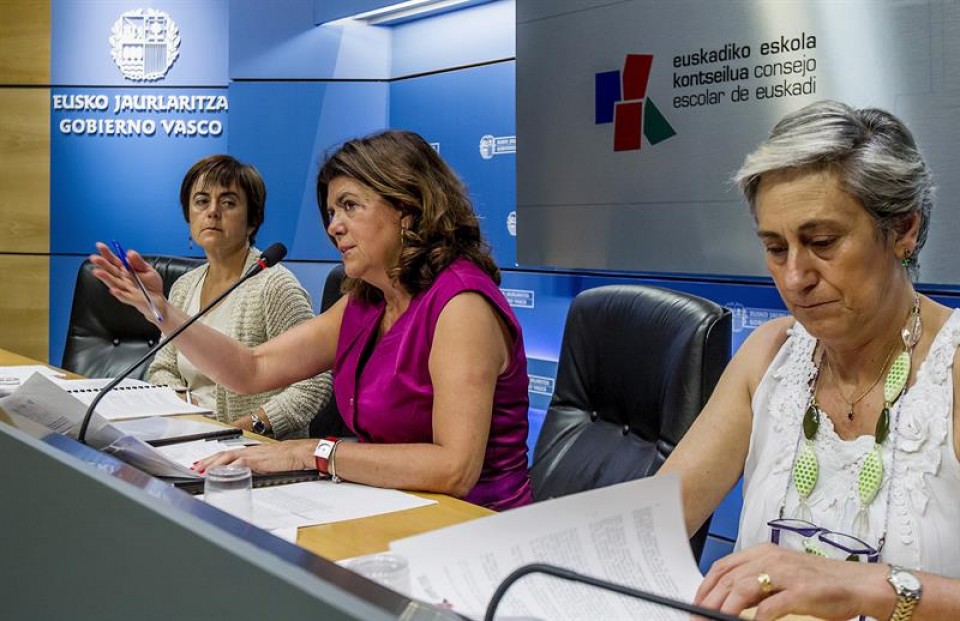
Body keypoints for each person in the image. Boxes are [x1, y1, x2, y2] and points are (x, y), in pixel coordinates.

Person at [91, 131, 533, 511]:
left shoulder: (462, 305)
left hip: (472, 523)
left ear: (408, 209)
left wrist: (312, 452)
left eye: (349, 207)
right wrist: (163, 312)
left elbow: (454, 469)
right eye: (331, 212)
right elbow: (253, 370)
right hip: (390, 503)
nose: (334, 227)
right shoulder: (368, 300)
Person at [658, 100, 960, 620]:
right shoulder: (771, 355)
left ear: (904, 230)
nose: (795, 277)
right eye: (776, 248)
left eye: (822, 242)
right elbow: (652, 521)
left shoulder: (951, 370)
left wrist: (865, 587)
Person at [146, 154, 331, 439]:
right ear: (188, 215)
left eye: (228, 202)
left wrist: (249, 425)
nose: (213, 211)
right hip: (189, 436)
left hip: (258, 447)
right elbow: (162, 367)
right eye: (201, 201)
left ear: (252, 221)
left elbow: (314, 383)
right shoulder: (184, 286)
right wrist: (182, 406)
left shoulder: (275, 286)